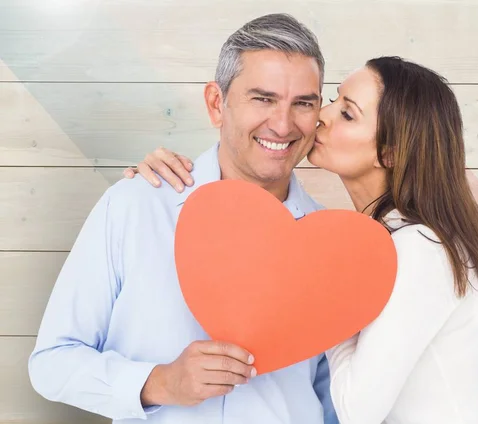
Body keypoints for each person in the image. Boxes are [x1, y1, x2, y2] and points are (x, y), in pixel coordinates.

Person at [127, 56, 478, 424]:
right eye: (332, 100)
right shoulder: (393, 239)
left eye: (347, 113)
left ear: (390, 152)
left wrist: (329, 304)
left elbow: (354, 410)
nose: (320, 118)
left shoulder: (419, 249)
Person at [28, 13, 338, 424]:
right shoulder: (135, 205)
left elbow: (333, 399)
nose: (282, 125)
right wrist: (159, 383)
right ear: (216, 103)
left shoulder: (331, 245)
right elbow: (52, 363)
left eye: (303, 103)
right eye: (262, 98)